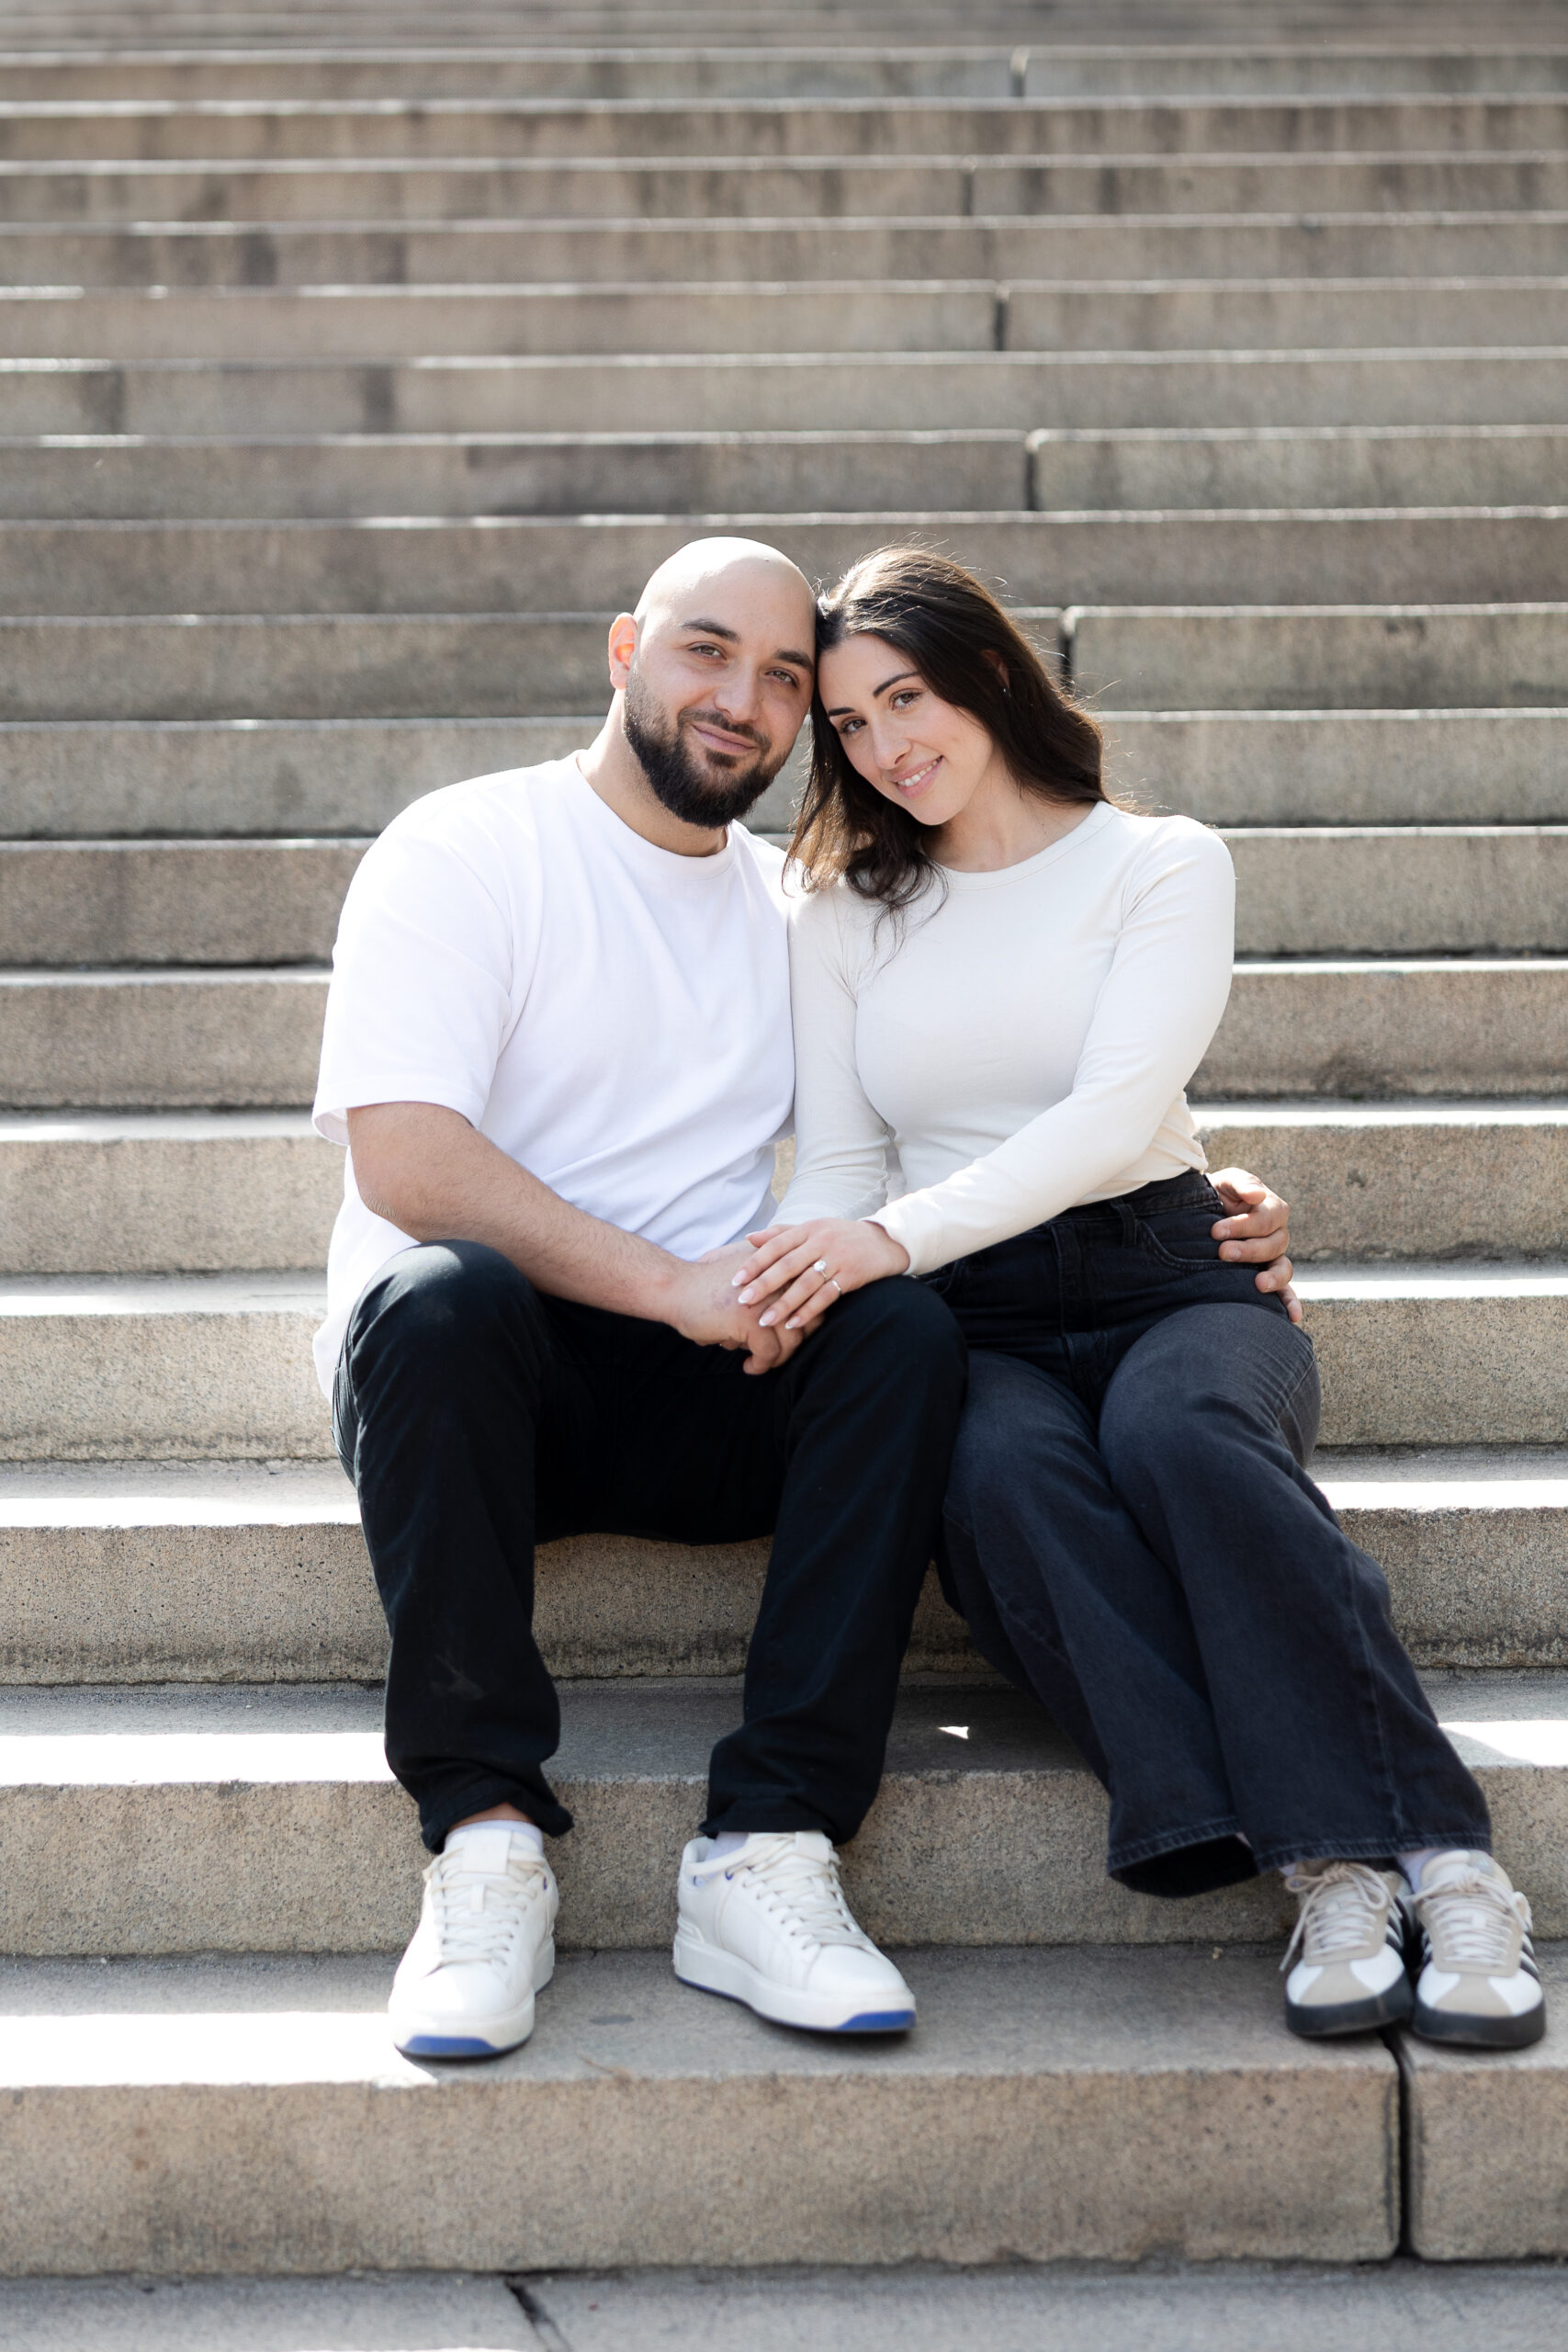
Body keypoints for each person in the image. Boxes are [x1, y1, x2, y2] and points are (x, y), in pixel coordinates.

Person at [735, 546, 1544, 2052]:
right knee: (997, 1478)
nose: (884, 745)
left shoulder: (1160, 861)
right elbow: (840, 1158)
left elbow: (1117, 1116)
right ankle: (1333, 1866)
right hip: (970, 1313)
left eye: (905, 698)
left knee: (1182, 1445)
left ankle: (1451, 1861)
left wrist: (887, 1241)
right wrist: (791, 1276)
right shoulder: (840, 909)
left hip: (1174, 1268)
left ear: (986, 675)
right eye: (847, 724)